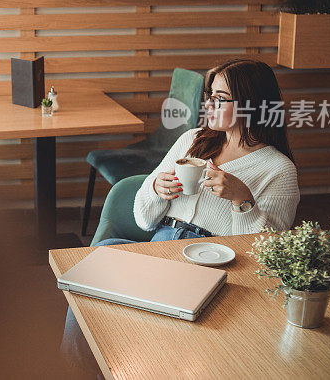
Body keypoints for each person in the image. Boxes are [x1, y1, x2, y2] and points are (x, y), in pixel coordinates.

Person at [62, 58, 300, 377]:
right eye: (208, 96)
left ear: (250, 104)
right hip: (159, 247)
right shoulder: (193, 140)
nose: (208, 104)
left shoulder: (278, 170)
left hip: (210, 262)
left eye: (219, 98)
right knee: (88, 273)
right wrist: (156, 188)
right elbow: (144, 219)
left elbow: (267, 256)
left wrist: (242, 200)